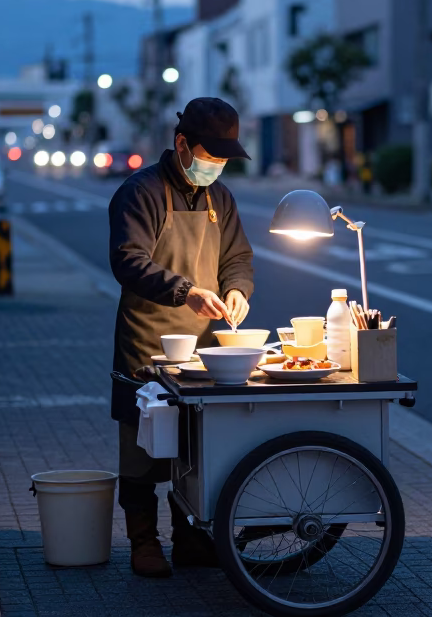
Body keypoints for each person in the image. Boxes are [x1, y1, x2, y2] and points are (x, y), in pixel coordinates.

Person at [107, 97, 254, 578]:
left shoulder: (221, 199)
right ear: (182, 144)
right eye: (209, 156)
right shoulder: (140, 191)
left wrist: (237, 291)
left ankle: (190, 539)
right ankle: (143, 542)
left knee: (196, 449)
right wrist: (184, 291)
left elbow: (238, 258)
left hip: (205, 349)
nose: (215, 166)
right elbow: (128, 259)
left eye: (223, 159)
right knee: (143, 447)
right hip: (147, 342)